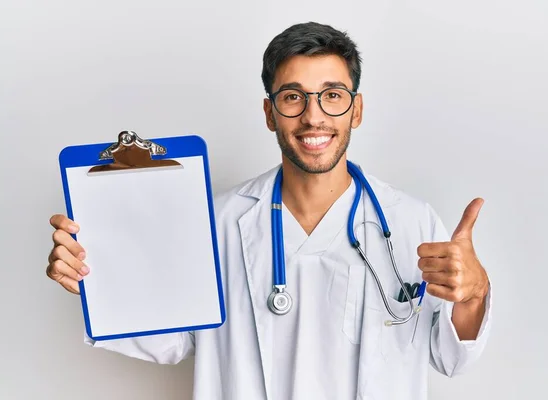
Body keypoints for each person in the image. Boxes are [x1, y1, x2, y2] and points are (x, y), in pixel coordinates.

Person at [46, 21, 492, 400]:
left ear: (356, 110)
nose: (313, 116)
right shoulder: (215, 223)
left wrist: (473, 294)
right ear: (269, 112)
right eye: (293, 97)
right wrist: (93, 276)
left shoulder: (413, 223)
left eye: (332, 95)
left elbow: (450, 357)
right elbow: (170, 341)